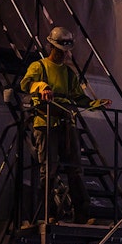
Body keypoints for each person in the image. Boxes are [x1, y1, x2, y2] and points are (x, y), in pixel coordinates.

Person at [19, 26, 110, 224]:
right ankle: (48, 214)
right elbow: (25, 84)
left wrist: (96, 104)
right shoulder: (39, 67)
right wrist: (41, 87)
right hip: (45, 123)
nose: (64, 54)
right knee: (48, 170)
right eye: (60, 50)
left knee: (75, 170)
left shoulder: (69, 74)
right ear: (51, 47)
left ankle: (82, 215)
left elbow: (79, 98)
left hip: (67, 124)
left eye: (66, 51)